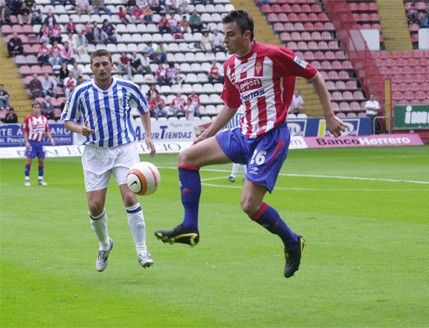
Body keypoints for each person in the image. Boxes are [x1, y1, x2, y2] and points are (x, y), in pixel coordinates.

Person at [154, 10, 346, 278]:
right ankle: (190, 227)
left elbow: (314, 76)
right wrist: (205, 135)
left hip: (270, 137)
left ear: (247, 34)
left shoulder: (274, 55)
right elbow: (231, 105)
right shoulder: (231, 65)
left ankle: (292, 241)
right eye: (224, 34)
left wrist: (329, 114)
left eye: (231, 34)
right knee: (187, 157)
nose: (226, 40)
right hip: (243, 135)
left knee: (249, 205)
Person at [61, 49, 157, 272]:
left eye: (105, 64)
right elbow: (67, 120)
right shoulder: (81, 92)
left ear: (113, 65)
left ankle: (142, 249)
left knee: (130, 197)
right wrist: (80, 129)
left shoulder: (127, 87)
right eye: (97, 65)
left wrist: (148, 136)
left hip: (124, 149)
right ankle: (105, 244)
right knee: (95, 206)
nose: (101, 68)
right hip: (95, 153)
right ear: (91, 68)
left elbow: (144, 109)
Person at [23, 101, 55, 187]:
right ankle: (27, 179)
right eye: (35, 108)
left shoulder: (44, 119)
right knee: (29, 161)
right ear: (32, 108)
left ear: (40, 109)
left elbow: (47, 130)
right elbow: (25, 131)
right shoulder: (28, 118)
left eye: (38, 108)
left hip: (41, 143)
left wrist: (51, 139)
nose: (37, 109)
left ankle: (40, 180)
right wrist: (26, 142)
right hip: (31, 143)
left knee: (41, 161)